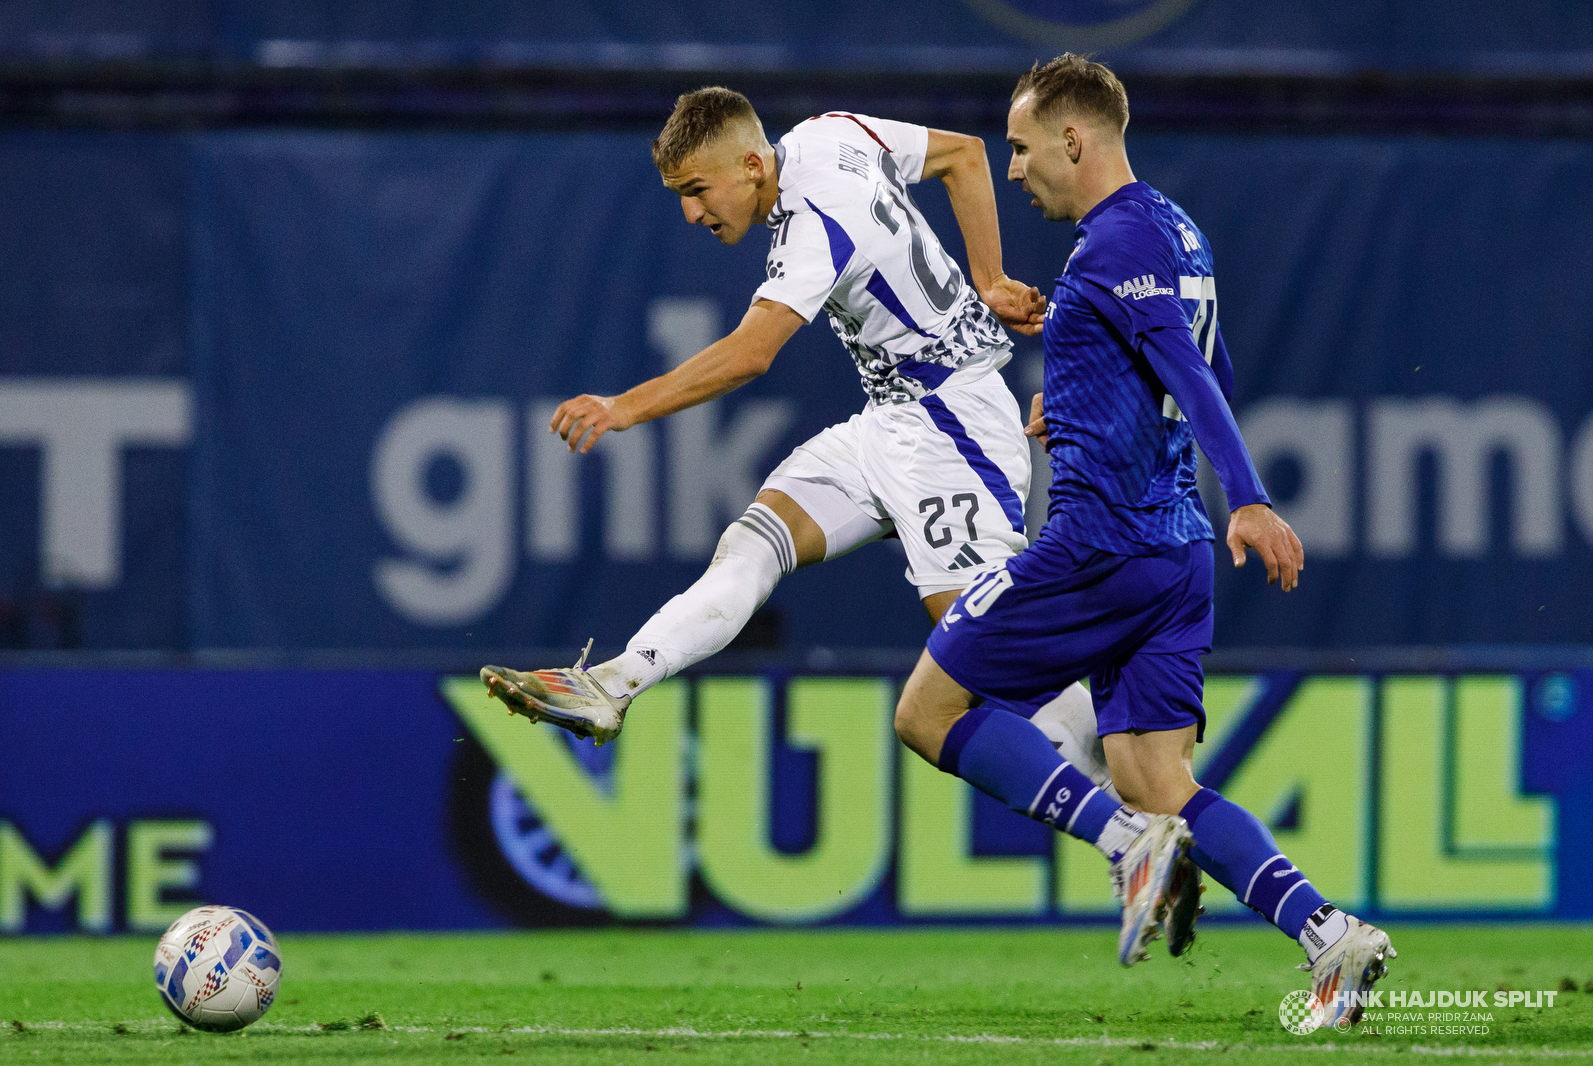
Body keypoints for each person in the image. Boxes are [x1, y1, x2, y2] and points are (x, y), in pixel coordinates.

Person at [480, 86, 1192, 926]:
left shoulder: (816, 221)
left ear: (751, 165)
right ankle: (616, 682)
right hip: (890, 420)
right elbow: (964, 154)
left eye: (697, 191)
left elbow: (751, 355)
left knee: (986, 660)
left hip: (950, 427)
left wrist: (623, 407)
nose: (691, 214)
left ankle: (1150, 820)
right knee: (753, 543)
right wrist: (988, 277)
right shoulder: (830, 132)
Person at [892, 54, 1394, 1021]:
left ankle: (1125, 848)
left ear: (1072, 140)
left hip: (1100, 544)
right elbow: (1210, 367)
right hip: (1177, 557)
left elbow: (1191, 376)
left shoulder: (1113, 242)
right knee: (1160, 781)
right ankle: (1331, 936)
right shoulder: (1176, 228)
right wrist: (1078, 406)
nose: (1011, 167)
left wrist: (1249, 495)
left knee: (927, 710)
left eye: (1021, 145)